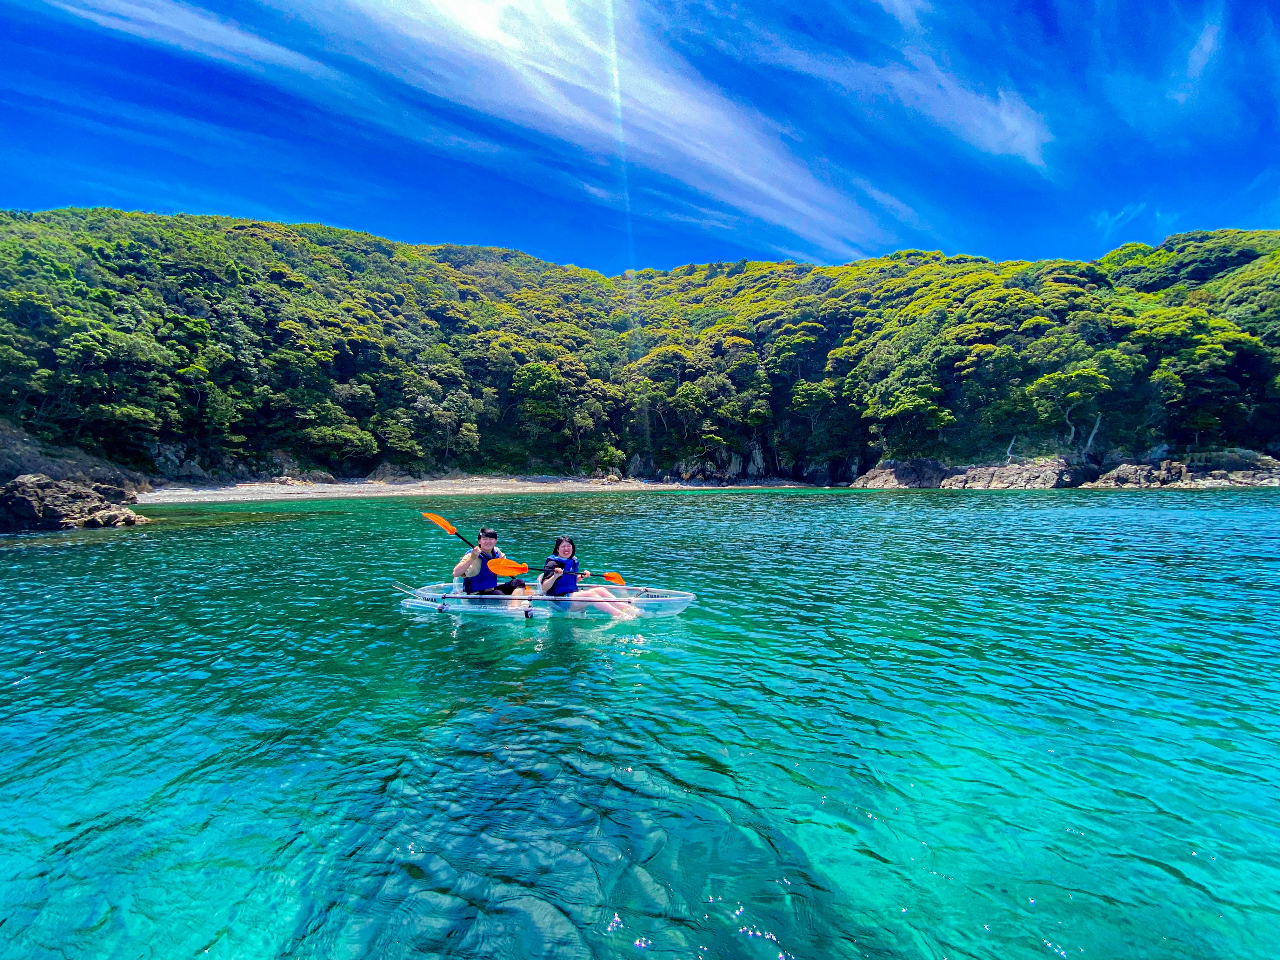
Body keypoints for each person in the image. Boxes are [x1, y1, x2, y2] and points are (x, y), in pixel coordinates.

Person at [539, 535, 635, 619]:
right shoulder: (552, 563)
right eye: (563, 546)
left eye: (568, 546)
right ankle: (617, 614)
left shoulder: (572, 560)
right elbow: (544, 587)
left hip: (570, 595)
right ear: (557, 549)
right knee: (591, 595)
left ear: (572, 548)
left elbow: (567, 582)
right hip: (559, 600)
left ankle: (626, 607)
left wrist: (581, 577)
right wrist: (555, 576)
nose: (566, 549)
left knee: (601, 589)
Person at [452, 528, 528, 602]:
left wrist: (520, 568)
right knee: (499, 595)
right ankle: (512, 608)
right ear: (479, 541)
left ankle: (515, 607)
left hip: (492, 590)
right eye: (485, 539)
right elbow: (455, 573)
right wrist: (472, 557)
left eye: (491, 539)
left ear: (495, 541)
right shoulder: (471, 555)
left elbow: (505, 565)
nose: (488, 542)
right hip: (476, 595)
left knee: (519, 582)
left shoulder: (496, 552)